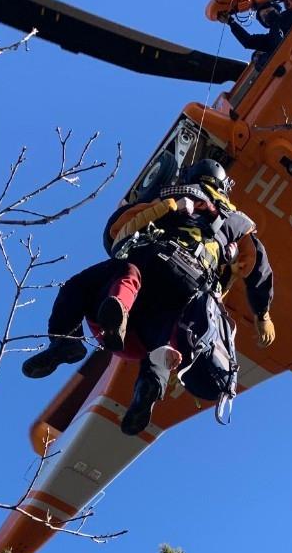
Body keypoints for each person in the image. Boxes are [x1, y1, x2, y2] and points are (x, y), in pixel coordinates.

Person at [22, 160, 275, 435]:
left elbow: (117, 229)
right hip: (183, 298)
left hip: (148, 270)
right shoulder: (238, 222)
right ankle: (149, 384)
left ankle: (68, 339)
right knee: (165, 343)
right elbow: (258, 268)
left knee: (91, 284)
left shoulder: (174, 193)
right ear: (224, 186)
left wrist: (159, 209)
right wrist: (263, 314)